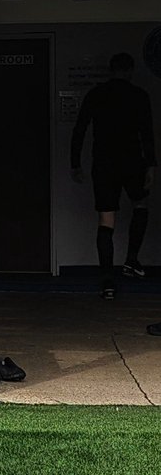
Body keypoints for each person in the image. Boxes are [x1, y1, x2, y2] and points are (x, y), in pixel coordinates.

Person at [70, 52, 155, 299]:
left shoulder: (96, 94)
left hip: (104, 164)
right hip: (132, 162)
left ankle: (107, 279)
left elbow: (80, 129)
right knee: (141, 205)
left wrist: (75, 163)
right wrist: (151, 165)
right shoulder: (139, 96)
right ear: (129, 71)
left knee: (106, 220)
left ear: (110, 70)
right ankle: (131, 260)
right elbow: (147, 133)